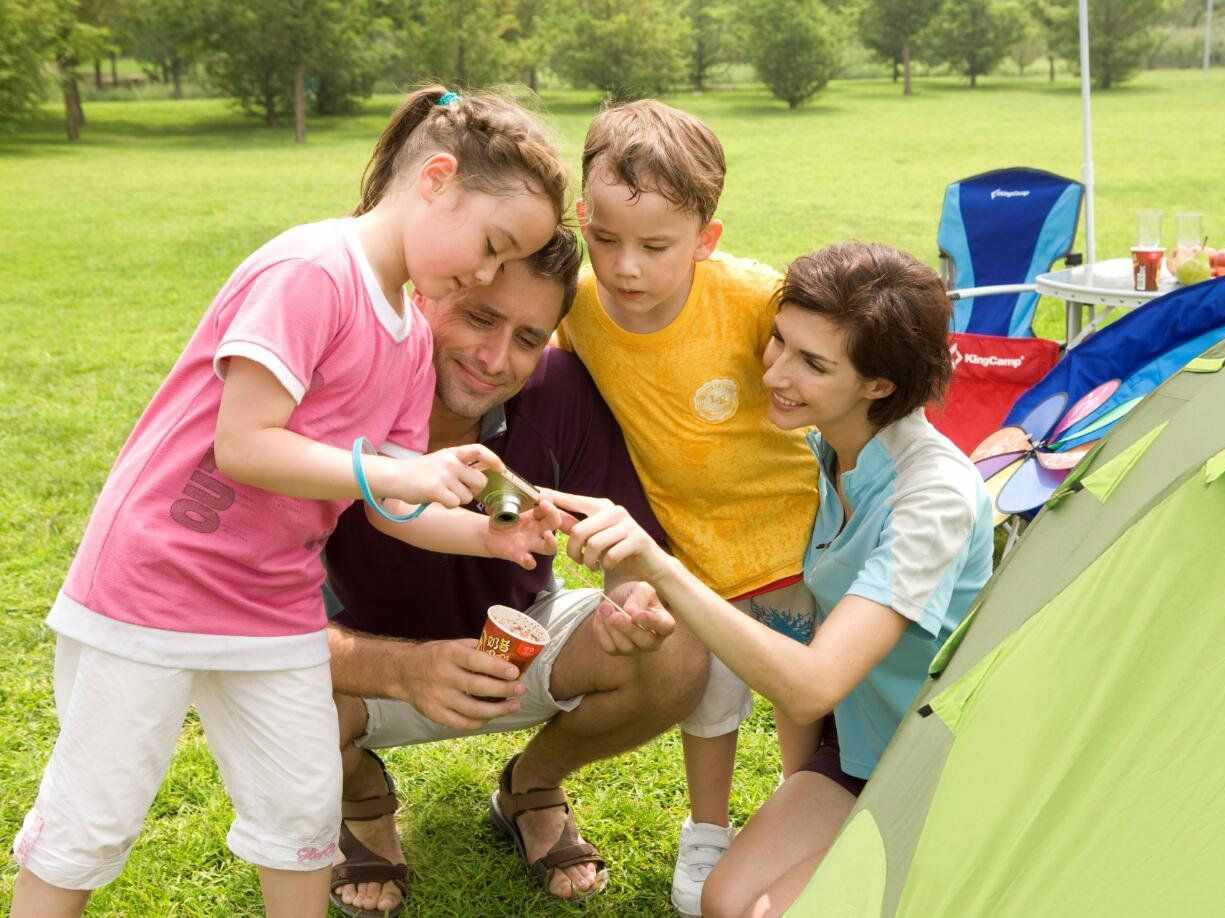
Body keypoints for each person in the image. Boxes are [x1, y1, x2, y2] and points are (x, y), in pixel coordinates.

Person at [8, 84, 569, 918]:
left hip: (271, 605)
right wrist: (392, 473)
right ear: (435, 178)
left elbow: (392, 505)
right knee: (91, 822)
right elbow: (246, 444)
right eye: (489, 245)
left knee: (301, 821)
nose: (485, 273)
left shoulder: (412, 332)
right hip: (151, 588)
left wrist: (488, 537)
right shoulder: (311, 270)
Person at [554, 242, 995, 918]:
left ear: (879, 385)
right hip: (857, 753)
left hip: (938, 770)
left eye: (812, 364)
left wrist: (661, 570)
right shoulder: (822, 450)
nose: (774, 373)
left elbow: (813, 682)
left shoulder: (931, 498)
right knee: (723, 901)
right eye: (779, 341)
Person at [323, 226, 711, 914]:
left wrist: (632, 606)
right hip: (359, 667)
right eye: (479, 317)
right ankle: (363, 802)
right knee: (266, 691)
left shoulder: (560, 390)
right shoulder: (341, 388)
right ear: (426, 291)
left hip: (516, 638)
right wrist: (403, 670)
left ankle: (531, 787)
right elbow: (244, 625)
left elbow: (622, 549)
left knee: (679, 650)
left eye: (529, 338)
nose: (496, 360)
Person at [554, 99, 822, 915]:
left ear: (705, 239)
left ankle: (800, 819)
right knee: (708, 698)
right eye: (605, 240)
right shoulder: (577, 307)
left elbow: (823, 377)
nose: (626, 267)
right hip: (687, 549)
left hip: (792, 542)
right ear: (581, 219)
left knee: (795, 695)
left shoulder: (753, 299)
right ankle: (706, 831)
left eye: (655, 247)